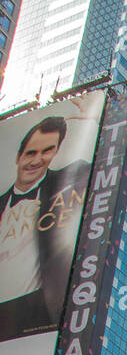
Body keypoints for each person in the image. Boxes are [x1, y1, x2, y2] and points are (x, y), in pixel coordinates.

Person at [0, 107, 95, 342]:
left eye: (47, 151)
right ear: (18, 157)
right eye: (31, 153)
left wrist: (92, 120)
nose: (37, 159)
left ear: (56, 152)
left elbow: (103, 165)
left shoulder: (64, 184)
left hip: (37, 311)